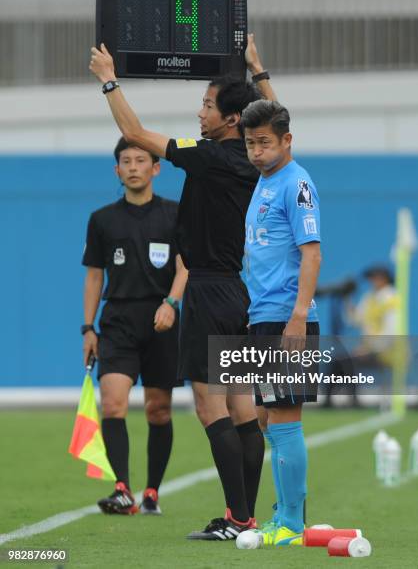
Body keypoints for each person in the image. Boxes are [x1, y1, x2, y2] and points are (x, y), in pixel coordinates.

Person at [89, 35, 276, 539]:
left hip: (210, 291)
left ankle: (237, 519)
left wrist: (108, 79)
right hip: (237, 290)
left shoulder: (210, 157)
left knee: (210, 406)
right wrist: (257, 72)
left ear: (231, 120)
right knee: (241, 408)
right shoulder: (256, 159)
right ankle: (245, 518)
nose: (200, 112)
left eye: (207, 104)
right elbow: (275, 120)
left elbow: (134, 132)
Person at [82, 137, 188, 515]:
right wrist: (87, 328)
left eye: (140, 160)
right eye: (125, 161)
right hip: (117, 323)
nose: (132, 166)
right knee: (113, 404)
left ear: (155, 168)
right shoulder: (102, 220)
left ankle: (152, 492)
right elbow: (95, 276)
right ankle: (123, 489)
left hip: (162, 321)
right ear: (117, 170)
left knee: (158, 410)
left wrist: (172, 303)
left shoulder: (176, 214)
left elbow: (184, 265)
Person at [241, 99, 322, 545]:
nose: (256, 151)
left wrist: (296, 318)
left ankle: (291, 521)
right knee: (266, 418)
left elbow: (312, 253)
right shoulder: (264, 181)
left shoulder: (296, 183)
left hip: (285, 319)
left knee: (283, 417)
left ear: (287, 141)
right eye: (251, 143)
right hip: (262, 318)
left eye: (265, 143)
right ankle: (285, 512)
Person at [323, 265, 400, 406]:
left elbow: (391, 333)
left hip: (387, 351)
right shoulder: (370, 297)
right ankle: (328, 401)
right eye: (371, 278)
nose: (372, 281)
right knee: (337, 361)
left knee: (348, 361)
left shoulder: (391, 299)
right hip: (370, 350)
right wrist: (347, 298)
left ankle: (353, 400)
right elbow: (354, 319)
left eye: (376, 277)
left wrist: (370, 349)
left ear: (385, 279)